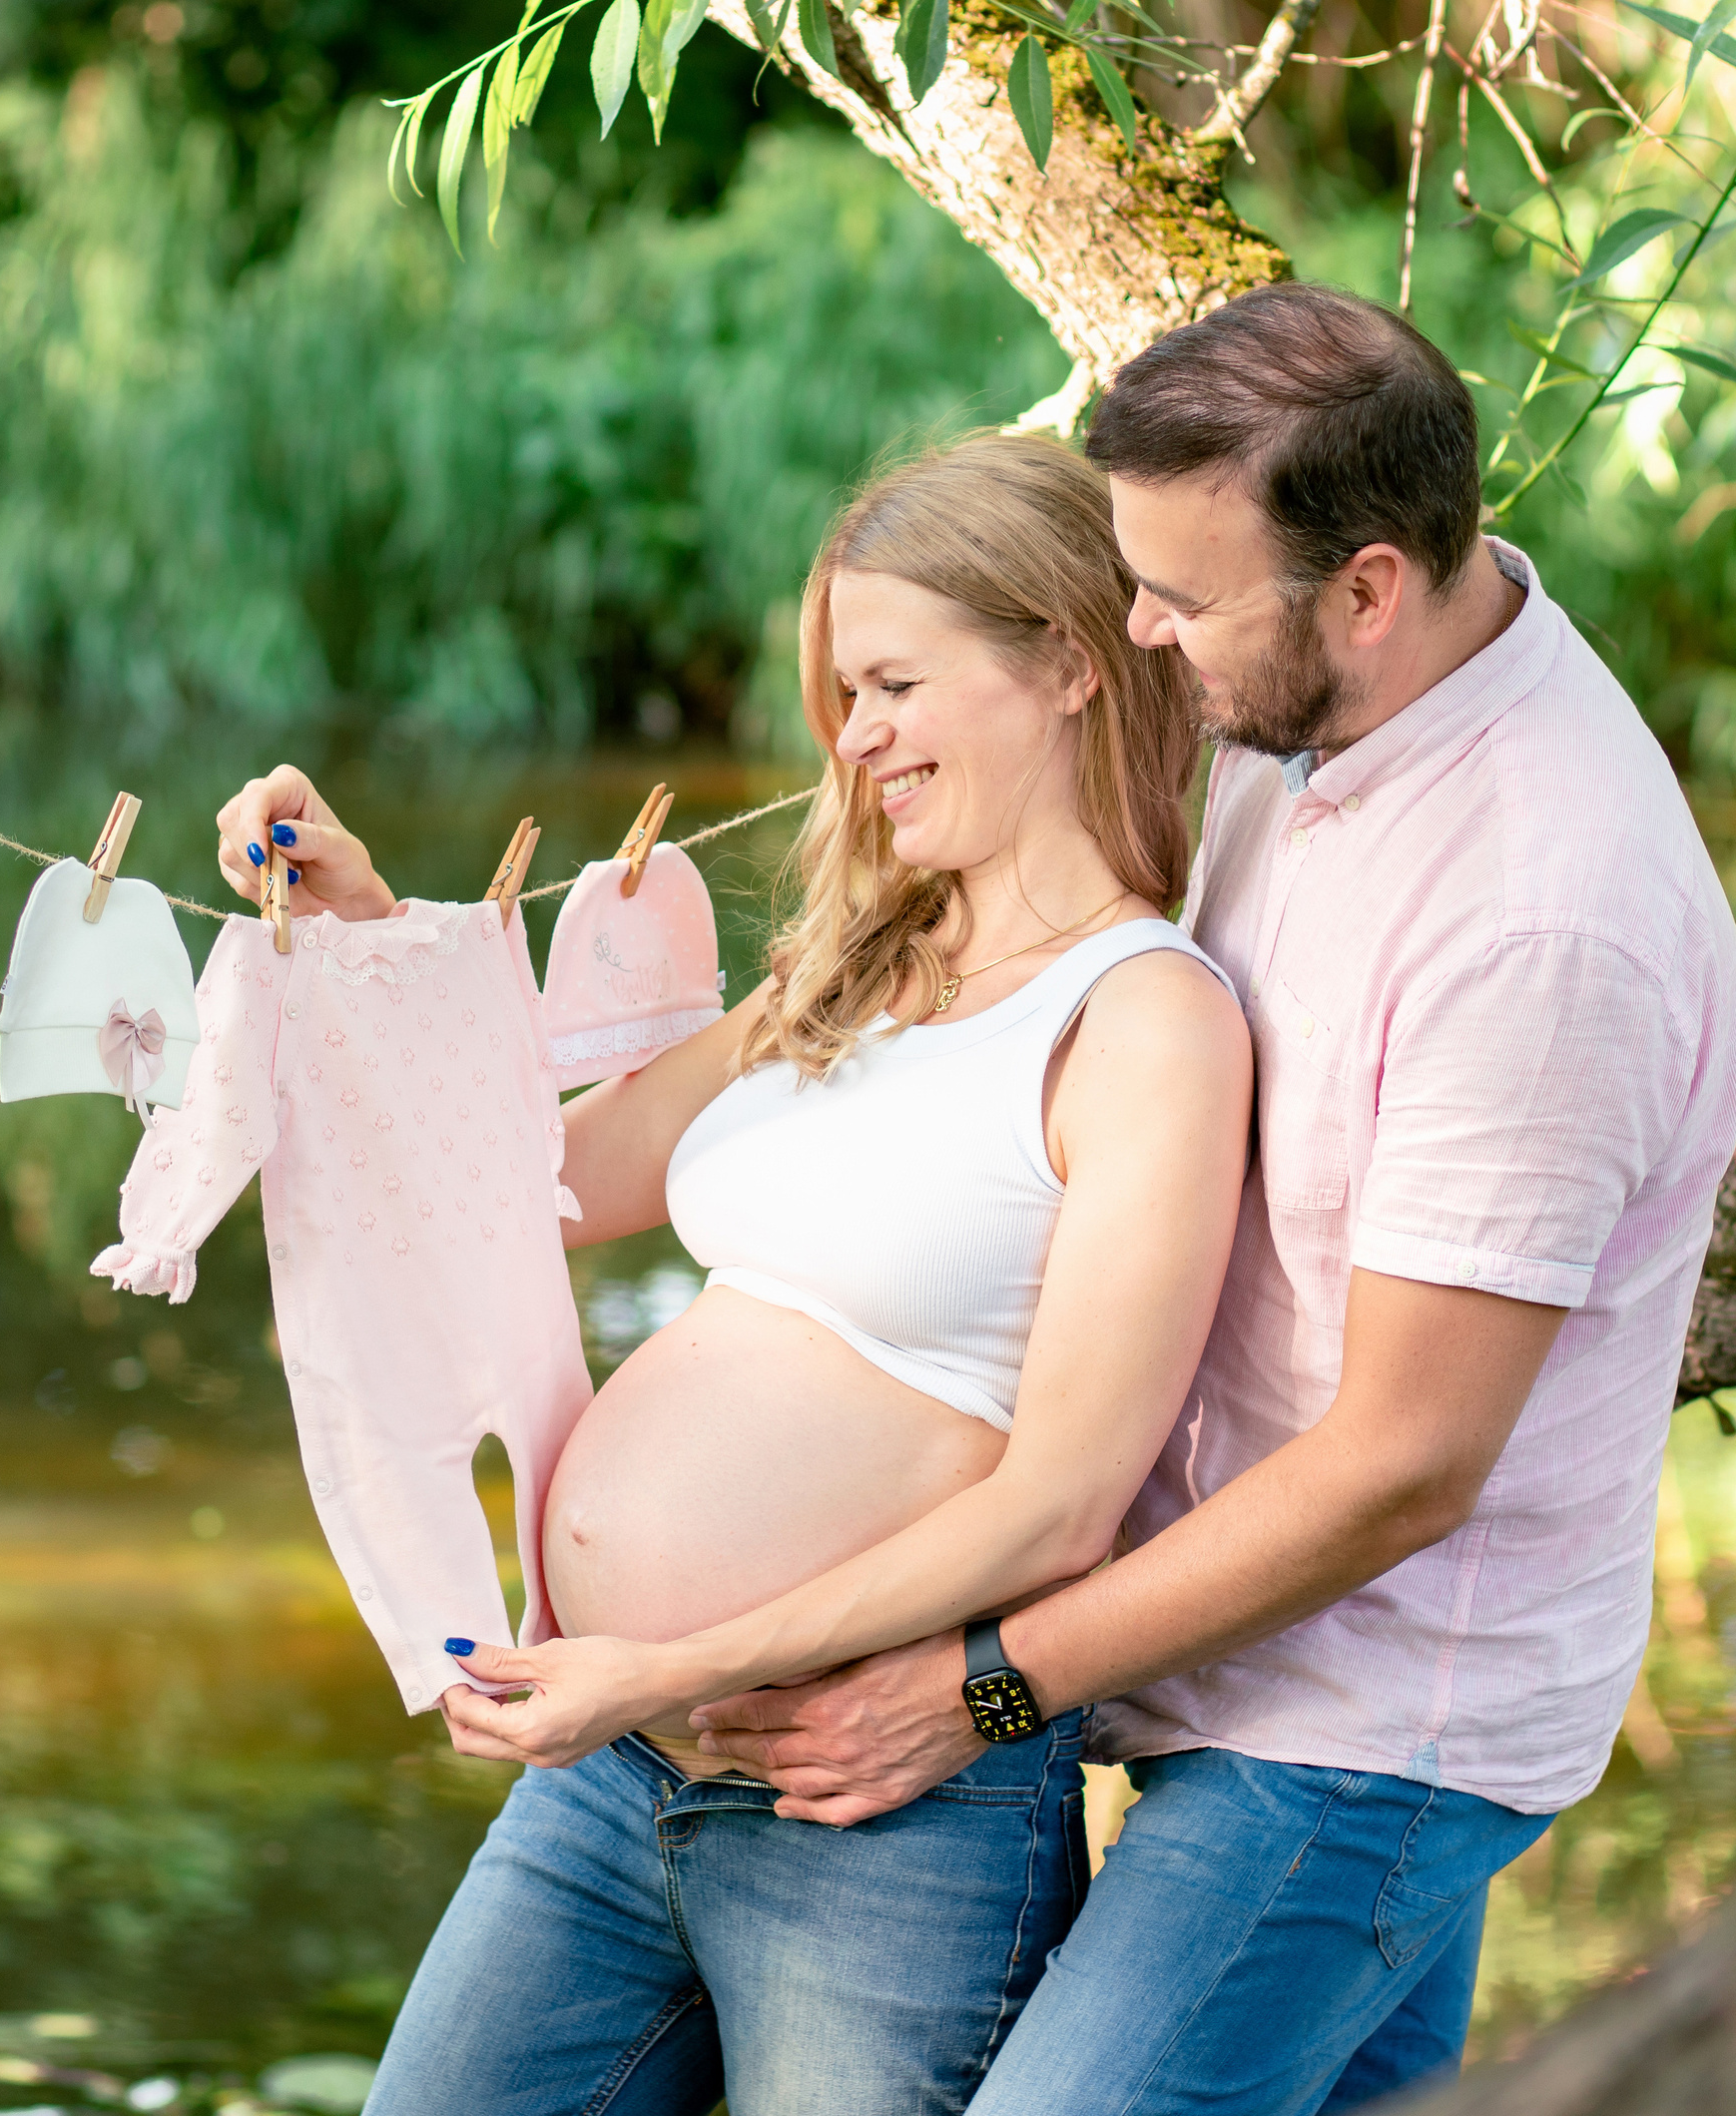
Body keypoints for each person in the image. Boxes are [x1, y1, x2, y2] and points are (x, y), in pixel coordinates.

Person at [688, 282, 1736, 2112]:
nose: (1145, 640)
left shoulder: (1542, 916)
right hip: (1209, 1654)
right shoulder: (1324, 700)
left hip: (1365, 1729)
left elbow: (1402, 1467)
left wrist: (987, 1684)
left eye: (1179, 602)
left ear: (1369, 587)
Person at [210, 430, 1256, 2114]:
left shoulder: (1145, 1025)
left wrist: (667, 1662)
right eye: (843, 693)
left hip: (880, 1812)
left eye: (897, 683)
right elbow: (535, 1177)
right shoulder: (859, 963)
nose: (856, 739)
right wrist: (356, 918)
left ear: (1068, 660)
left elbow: (1063, 1508)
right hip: (615, 1773)